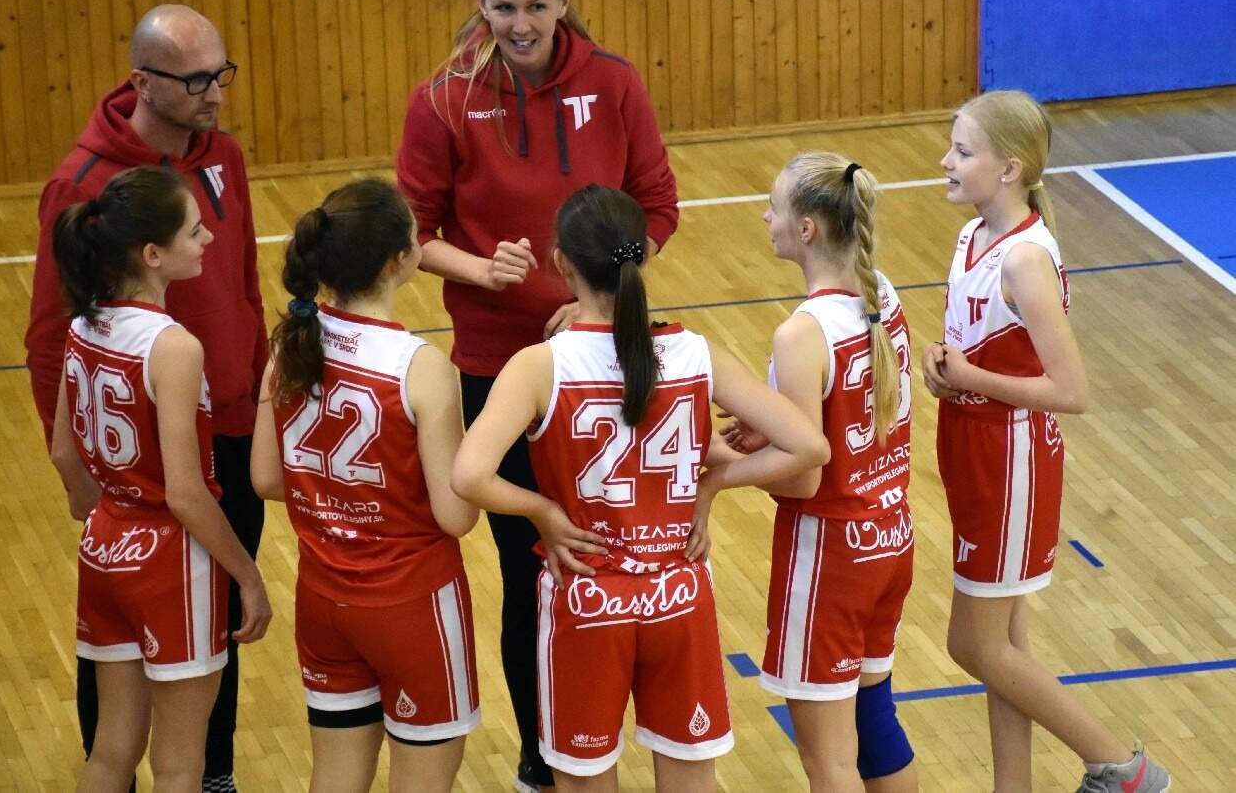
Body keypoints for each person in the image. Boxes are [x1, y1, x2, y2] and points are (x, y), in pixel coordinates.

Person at [395, 0, 680, 792]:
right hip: (494, 367)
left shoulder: (613, 84)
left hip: (603, 361)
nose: (519, 25)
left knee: (615, 561)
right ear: (479, 5)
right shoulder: (443, 100)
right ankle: (542, 755)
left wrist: (601, 297)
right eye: (502, 7)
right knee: (532, 574)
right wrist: (479, 270)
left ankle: (611, 740)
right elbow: (412, 234)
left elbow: (655, 207)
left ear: (563, 1)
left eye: (535, 6)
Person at [452, 184, 829, 792]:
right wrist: (711, 484)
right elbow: (809, 446)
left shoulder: (540, 365)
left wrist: (543, 512)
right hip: (678, 597)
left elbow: (469, 475)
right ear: (643, 257)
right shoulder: (695, 352)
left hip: (588, 600)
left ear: (561, 264)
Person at [24, 5, 267, 791]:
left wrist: (261, 406)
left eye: (220, 75)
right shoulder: (82, 184)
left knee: (212, 647)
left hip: (225, 435)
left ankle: (215, 773)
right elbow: (48, 338)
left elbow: (246, 287)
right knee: (154, 701)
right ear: (141, 82)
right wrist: (84, 478)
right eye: (195, 81)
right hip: (160, 491)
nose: (214, 94)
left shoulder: (223, 155)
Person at [923, 90, 1170, 793]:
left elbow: (1071, 391)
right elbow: (986, 350)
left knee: (972, 644)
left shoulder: (1025, 260)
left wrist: (970, 377)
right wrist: (945, 368)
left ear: (1009, 168)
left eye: (962, 151)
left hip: (1011, 459)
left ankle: (1123, 769)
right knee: (1006, 646)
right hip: (971, 445)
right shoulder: (972, 237)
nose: (944, 161)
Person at [693, 154, 918, 792]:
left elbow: (803, 477)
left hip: (830, 557)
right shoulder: (882, 293)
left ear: (808, 229)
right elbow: (847, 418)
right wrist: (772, 428)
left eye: (774, 207)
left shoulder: (802, 334)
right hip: (890, 536)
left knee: (828, 760)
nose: (766, 217)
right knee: (874, 728)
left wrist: (721, 470)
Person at [250, 179, 481, 793]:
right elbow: (456, 517)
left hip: (323, 600)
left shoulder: (290, 344)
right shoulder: (420, 366)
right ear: (398, 261)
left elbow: (265, 478)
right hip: (412, 605)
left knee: (333, 779)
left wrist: (336, 500)